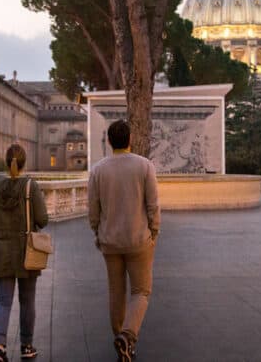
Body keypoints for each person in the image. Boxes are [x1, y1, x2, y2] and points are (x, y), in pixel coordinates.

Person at [88, 119, 160, 362]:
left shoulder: (98, 170)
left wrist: (97, 233)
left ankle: (120, 337)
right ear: (129, 139)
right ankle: (128, 336)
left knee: (116, 292)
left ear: (109, 141)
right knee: (141, 291)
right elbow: (153, 205)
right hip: (139, 239)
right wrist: (154, 232)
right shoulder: (145, 166)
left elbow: (93, 209)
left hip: (110, 241)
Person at [0, 144, 48, 362]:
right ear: (23, 162)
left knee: (2, 301)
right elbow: (42, 220)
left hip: (1, 251)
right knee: (27, 301)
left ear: (6, 160)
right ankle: (26, 346)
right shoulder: (31, 186)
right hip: (26, 252)